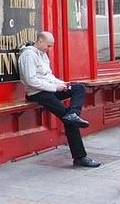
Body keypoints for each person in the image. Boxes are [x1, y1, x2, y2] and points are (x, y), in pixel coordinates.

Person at [18, 31, 100, 168]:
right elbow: (30, 80)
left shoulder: (43, 55)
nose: (48, 49)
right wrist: (55, 88)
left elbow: (49, 76)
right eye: (48, 46)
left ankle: (74, 114)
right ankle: (80, 157)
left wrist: (61, 84)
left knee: (78, 88)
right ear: (40, 41)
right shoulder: (28, 55)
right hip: (37, 93)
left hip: (49, 89)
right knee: (68, 119)